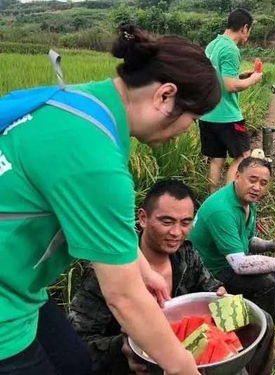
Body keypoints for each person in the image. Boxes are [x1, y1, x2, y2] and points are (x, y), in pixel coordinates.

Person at [0, 24, 220, 375]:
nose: (185, 133)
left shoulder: (80, 103)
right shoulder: (95, 160)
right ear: (165, 95)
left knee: (73, 363)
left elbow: (88, 209)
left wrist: (142, 266)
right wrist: (185, 369)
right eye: (192, 119)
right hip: (5, 306)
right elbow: (124, 298)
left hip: (20, 286)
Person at [69, 179, 275, 375]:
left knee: (261, 322)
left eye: (185, 222)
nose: (177, 232)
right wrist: (122, 349)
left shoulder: (186, 255)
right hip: (137, 365)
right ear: (143, 218)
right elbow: (78, 342)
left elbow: (211, 289)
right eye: (167, 221)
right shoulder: (108, 272)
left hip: (192, 355)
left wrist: (220, 296)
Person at [189, 157, 275, 349]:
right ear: (237, 176)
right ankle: (261, 337)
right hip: (209, 273)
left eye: (263, 183)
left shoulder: (247, 202)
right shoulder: (221, 210)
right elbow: (240, 264)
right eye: (252, 179)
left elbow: (247, 242)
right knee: (268, 282)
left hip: (229, 261)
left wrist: (272, 245)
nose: (257, 187)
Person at [199, 8, 263, 192]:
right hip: (227, 116)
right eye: (249, 31)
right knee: (243, 156)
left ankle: (212, 198)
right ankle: (227, 199)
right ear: (244, 28)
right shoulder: (231, 49)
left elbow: (218, 78)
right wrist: (254, 79)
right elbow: (230, 86)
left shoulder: (212, 45)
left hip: (208, 115)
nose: (248, 35)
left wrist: (242, 75)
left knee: (216, 159)